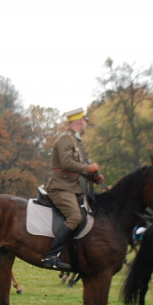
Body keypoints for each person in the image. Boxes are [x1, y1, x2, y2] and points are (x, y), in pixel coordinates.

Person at [42, 107, 102, 270]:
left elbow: (74, 167)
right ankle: (51, 255)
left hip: (71, 187)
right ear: (80, 121)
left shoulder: (74, 141)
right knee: (75, 217)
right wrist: (88, 168)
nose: (86, 125)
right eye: (85, 122)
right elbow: (66, 163)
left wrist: (92, 177)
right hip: (60, 188)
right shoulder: (65, 139)